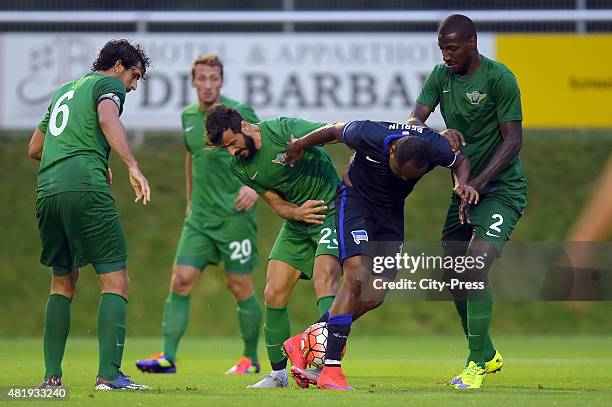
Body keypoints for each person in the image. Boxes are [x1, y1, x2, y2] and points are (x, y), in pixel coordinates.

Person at [285, 119, 478, 390]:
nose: (402, 179)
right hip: (356, 203)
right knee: (355, 277)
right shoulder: (367, 133)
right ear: (391, 151)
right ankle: (330, 370)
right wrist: (299, 145)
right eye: (399, 172)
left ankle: (303, 340)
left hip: (390, 213)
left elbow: (461, 162)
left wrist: (461, 183)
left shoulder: (435, 147)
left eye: (409, 178)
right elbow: (332, 130)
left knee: (375, 294)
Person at [410, 14, 527, 390]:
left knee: (474, 268)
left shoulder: (499, 78)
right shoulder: (440, 78)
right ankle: (487, 353)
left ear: (472, 43)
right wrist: (437, 132)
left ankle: (475, 366)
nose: (446, 56)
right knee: (454, 274)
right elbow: (413, 124)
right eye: (442, 49)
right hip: (465, 191)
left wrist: (478, 182)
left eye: (452, 48)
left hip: (502, 190)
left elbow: (513, 141)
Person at [28, 39, 151, 390]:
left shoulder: (64, 90)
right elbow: (107, 116)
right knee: (116, 280)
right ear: (117, 65)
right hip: (85, 187)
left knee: (62, 282)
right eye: (134, 75)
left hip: (48, 190)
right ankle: (109, 376)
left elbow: (35, 148)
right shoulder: (108, 85)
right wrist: (131, 165)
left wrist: (78, 158)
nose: (133, 84)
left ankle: (51, 378)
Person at [135, 55, 263, 376]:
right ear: (193, 82)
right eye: (202, 78)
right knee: (180, 281)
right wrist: (190, 201)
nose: (207, 84)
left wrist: (258, 188)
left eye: (213, 79)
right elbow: (192, 158)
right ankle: (168, 357)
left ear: (221, 81)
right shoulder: (188, 118)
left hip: (235, 218)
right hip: (200, 220)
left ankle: (250, 359)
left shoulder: (240, 113)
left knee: (239, 286)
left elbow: (266, 147)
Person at [205, 104, 342, 388]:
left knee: (324, 279)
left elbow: (330, 132)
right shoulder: (240, 167)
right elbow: (277, 203)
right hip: (297, 222)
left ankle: (326, 366)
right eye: (225, 149)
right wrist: (296, 213)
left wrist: (357, 145)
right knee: (273, 292)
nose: (232, 152)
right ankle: (278, 375)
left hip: (330, 210)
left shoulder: (280, 129)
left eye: (232, 144)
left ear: (244, 126)